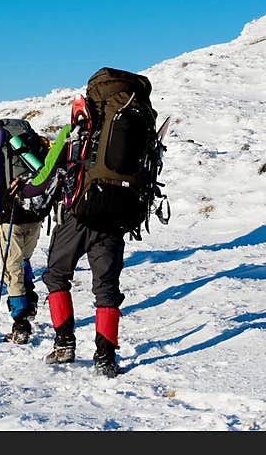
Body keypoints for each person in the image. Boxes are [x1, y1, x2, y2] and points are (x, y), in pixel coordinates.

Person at [11, 68, 161, 377]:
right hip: (119, 217)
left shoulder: (80, 131)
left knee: (56, 276)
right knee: (107, 288)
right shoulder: (136, 123)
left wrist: (21, 190)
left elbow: (44, 178)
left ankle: (65, 343)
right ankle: (105, 356)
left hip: (79, 215)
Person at [0, 120, 51, 344]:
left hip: (9, 217)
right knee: (24, 260)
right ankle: (30, 300)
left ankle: (20, 321)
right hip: (35, 215)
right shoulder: (35, 143)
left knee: (12, 270)